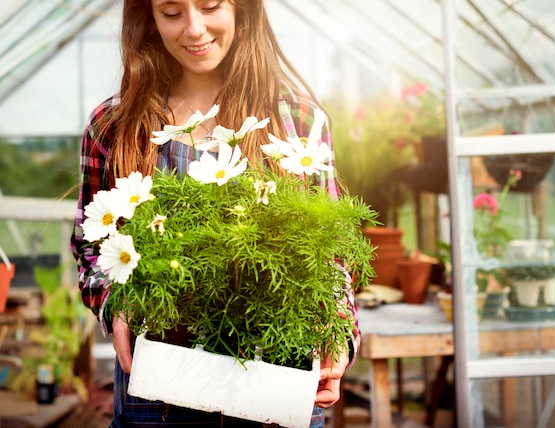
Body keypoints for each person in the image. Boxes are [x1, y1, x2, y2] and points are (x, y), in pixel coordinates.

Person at [70, 0, 360, 427]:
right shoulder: (115, 124)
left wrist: (338, 336)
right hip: (158, 395)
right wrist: (116, 306)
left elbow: (332, 256)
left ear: (241, 8)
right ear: (147, 17)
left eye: (209, 6)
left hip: (272, 390)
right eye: (171, 13)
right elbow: (91, 247)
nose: (194, 29)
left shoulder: (295, 118)